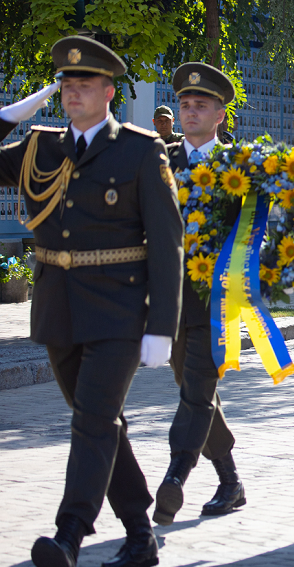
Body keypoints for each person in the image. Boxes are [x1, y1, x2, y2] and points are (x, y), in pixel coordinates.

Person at [0, 36, 183, 567]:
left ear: (108, 91)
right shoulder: (41, 146)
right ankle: (138, 533)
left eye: (85, 84)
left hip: (120, 311)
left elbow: (167, 242)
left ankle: (70, 534)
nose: (72, 92)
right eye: (66, 84)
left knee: (92, 421)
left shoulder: (140, 149)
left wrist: (161, 327)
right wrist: (15, 112)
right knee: (97, 419)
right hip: (58, 307)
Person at [152, 62, 246, 527]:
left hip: (219, 300)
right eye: (185, 105)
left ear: (220, 114)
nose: (190, 112)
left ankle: (175, 476)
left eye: (200, 105)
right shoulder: (159, 158)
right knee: (192, 388)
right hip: (170, 300)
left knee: (197, 390)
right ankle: (230, 480)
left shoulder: (243, 165)